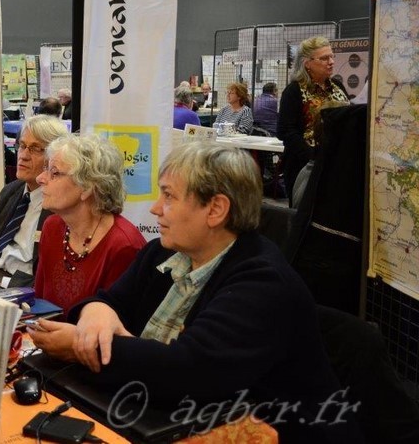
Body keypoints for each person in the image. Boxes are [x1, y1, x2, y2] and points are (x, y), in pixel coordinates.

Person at [28, 141, 361, 443]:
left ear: (215, 209)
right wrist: (96, 312)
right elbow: (109, 301)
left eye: (169, 196)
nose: (156, 208)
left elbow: (186, 371)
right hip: (160, 421)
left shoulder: (264, 284)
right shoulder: (161, 253)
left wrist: (80, 346)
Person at [34, 134, 146, 313]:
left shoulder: (124, 246)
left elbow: (116, 329)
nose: (40, 178)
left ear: (87, 187)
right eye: (45, 169)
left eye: (54, 173)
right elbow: (37, 303)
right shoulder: (52, 226)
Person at [0, 115, 69, 287]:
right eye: (22, 146)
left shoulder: (61, 207)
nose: (23, 156)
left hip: (20, 289)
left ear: (54, 158)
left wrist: (1, 284)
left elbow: (50, 281)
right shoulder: (11, 191)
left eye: (35, 149)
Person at [277, 36, 349, 202]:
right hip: (304, 167)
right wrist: (312, 158)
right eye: (324, 58)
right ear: (307, 63)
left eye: (332, 56)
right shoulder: (294, 91)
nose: (331, 61)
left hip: (337, 164)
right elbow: (285, 131)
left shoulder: (338, 87)